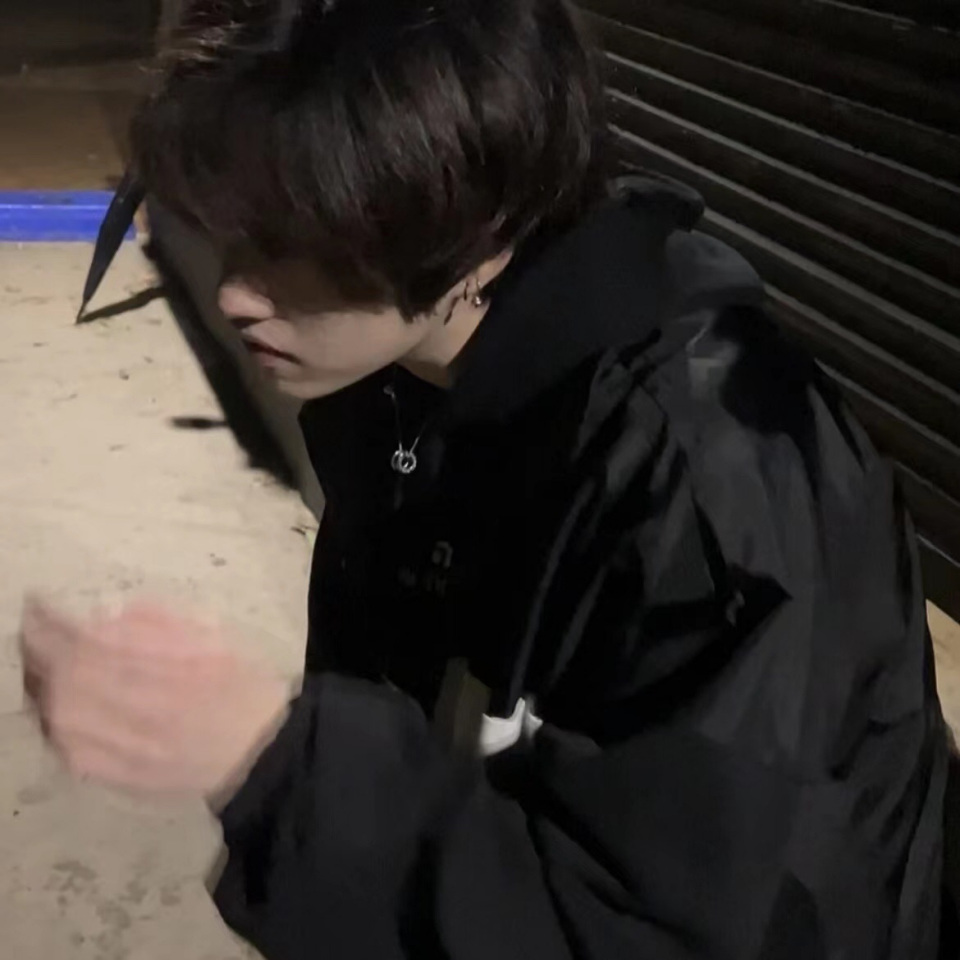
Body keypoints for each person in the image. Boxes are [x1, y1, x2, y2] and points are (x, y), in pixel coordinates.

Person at [20, 1, 949, 958]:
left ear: (472, 226)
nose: (233, 295)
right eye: (232, 233)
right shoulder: (393, 375)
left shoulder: (714, 490)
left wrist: (274, 760)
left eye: (288, 243)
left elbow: (666, 930)